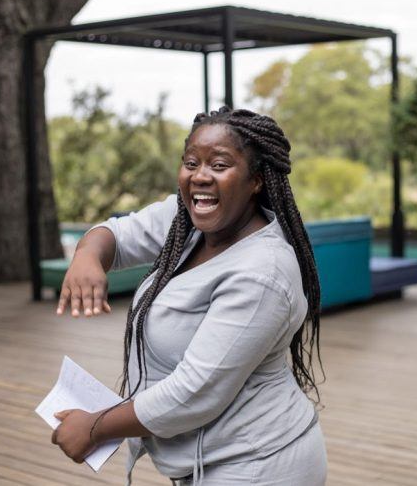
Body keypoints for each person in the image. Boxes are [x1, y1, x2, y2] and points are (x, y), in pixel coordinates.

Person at [50, 107, 327, 485]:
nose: (200, 176)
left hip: (257, 464)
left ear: (257, 179)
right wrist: (87, 256)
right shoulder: (186, 220)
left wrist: (96, 426)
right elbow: (118, 234)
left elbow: (194, 392)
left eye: (219, 164)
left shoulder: (263, 272)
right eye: (191, 162)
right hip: (208, 462)